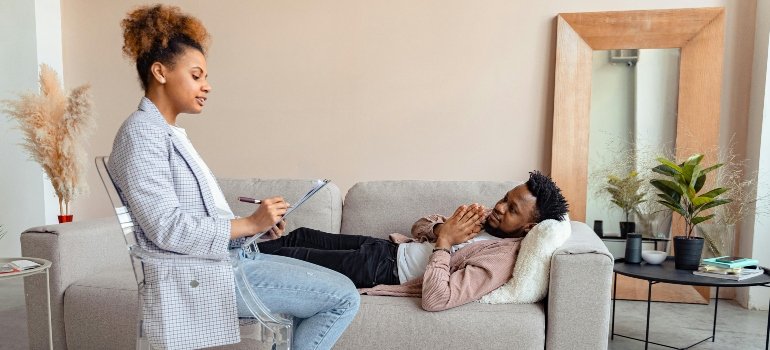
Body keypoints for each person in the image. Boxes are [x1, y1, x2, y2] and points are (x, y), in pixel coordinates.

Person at [109, 5, 359, 349]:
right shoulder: (142, 134)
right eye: (196, 76)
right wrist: (247, 224)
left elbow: (197, 221)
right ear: (160, 72)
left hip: (223, 263)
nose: (207, 86)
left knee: (337, 286)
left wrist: (255, 229)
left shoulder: (168, 133)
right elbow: (166, 227)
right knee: (343, 296)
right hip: (199, 276)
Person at [257, 171, 569, 311]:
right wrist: (439, 229)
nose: (499, 207)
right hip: (385, 248)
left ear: (529, 228)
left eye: (512, 209)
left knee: (294, 255)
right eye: (505, 198)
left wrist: (445, 243)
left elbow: (438, 298)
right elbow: (419, 224)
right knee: (300, 235)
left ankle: (231, 261)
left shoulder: (499, 259)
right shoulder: (484, 217)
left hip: (386, 271)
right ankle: (238, 248)